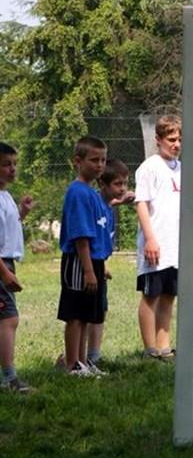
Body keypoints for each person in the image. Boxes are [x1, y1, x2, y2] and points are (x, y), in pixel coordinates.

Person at [57, 136, 113, 376]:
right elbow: (81, 236)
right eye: (94, 160)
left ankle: (82, 362)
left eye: (103, 160)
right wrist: (88, 270)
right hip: (80, 262)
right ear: (78, 162)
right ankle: (72, 364)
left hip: (94, 261)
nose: (99, 165)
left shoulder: (91, 193)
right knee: (76, 314)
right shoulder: (77, 192)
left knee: (88, 314)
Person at [135, 115, 182, 359]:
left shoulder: (182, 168)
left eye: (179, 140)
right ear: (158, 140)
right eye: (171, 140)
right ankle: (150, 348)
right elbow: (141, 203)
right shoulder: (149, 167)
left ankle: (164, 346)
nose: (176, 144)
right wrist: (150, 239)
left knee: (168, 295)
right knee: (151, 295)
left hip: (175, 245)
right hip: (156, 243)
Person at [84, 158, 134, 370]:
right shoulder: (95, 203)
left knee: (100, 311)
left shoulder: (108, 204)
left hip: (99, 264)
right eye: (118, 184)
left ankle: (94, 355)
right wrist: (93, 268)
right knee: (85, 314)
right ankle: (76, 357)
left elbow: (109, 202)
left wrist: (121, 200)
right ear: (102, 184)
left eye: (125, 183)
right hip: (90, 266)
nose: (123, 188)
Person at [0, 142, 34, 392]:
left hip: (7, 262)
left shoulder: (6, 195)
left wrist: (22, 212)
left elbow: (8, 227)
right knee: (9, 319)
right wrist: (5, 273)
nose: (12, 169)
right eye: (6, 164)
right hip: (2, 264)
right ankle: (9, 378)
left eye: (14, 164)